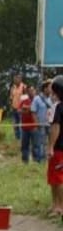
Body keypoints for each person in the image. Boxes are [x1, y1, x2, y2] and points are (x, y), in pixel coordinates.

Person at [48, 77, 63, 216]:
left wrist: (50, 146)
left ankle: (60, 206)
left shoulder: (58, 107)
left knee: (57, 177)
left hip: (59, 147)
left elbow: (55, 127)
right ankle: (55, 205)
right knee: (53, 177)